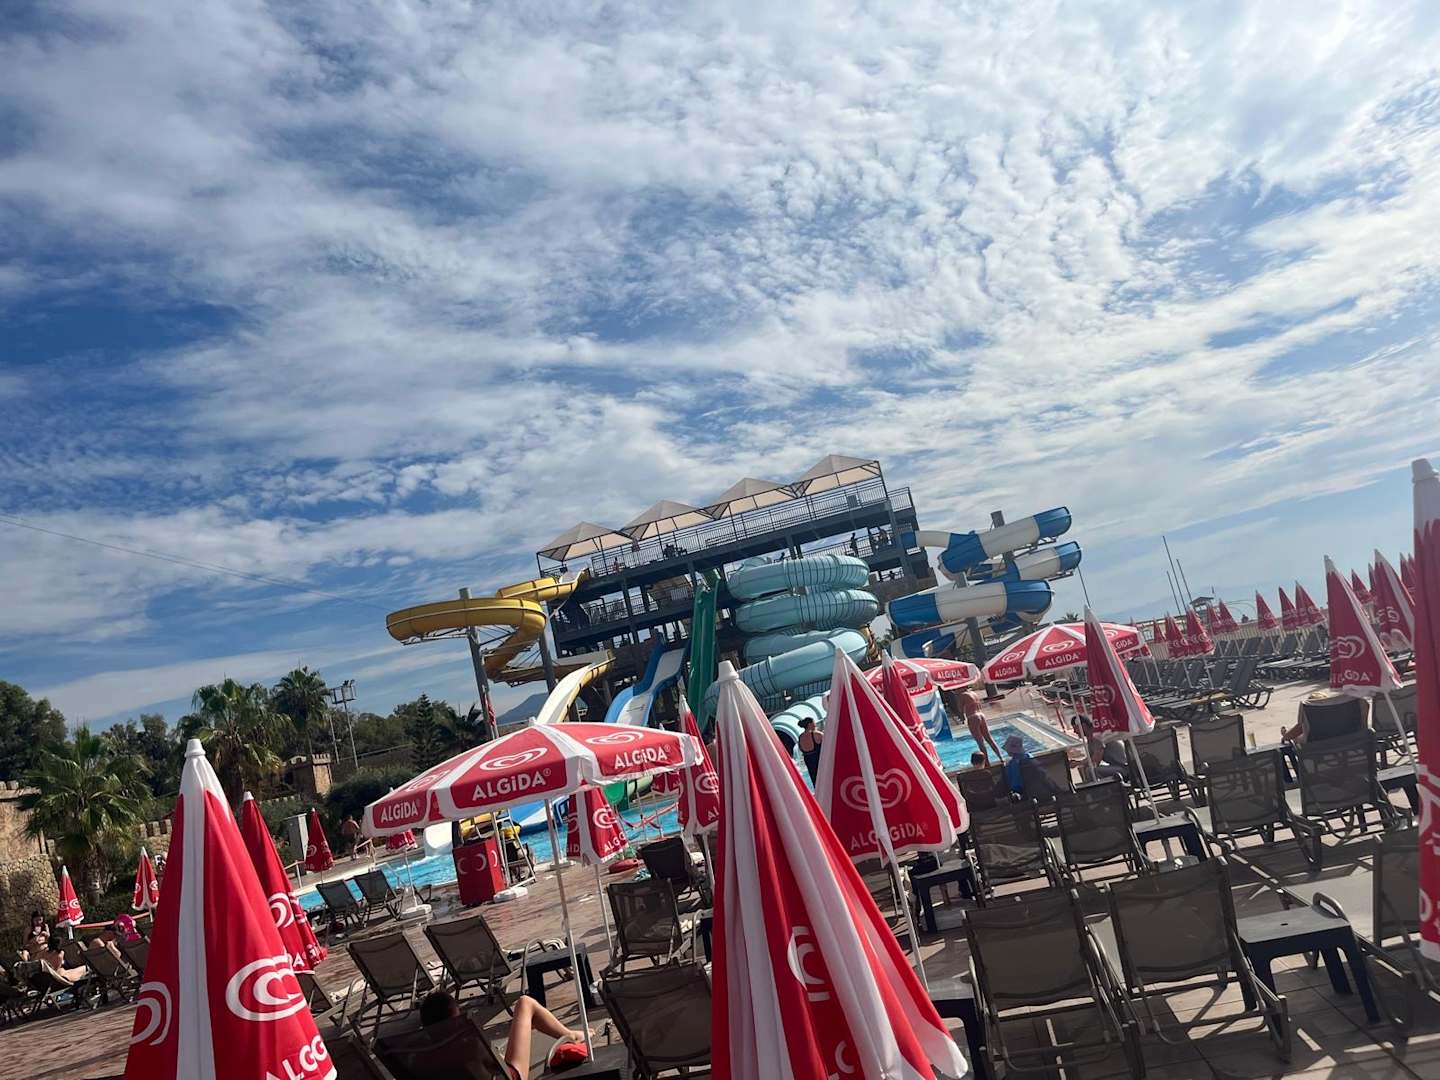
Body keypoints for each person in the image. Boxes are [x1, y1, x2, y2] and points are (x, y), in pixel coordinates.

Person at [420, 991, 588, 1080]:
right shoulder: (470, 1046)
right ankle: (571, 1036)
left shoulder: (420, 1057)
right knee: (525, 1003)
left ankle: (569, 1034)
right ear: (456, 1019)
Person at [956, 691, 1003, 764]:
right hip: (981, 715)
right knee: (989, 739)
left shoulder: (962, 695)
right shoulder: (974, 693)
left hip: (972, 717)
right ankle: (1001, 758)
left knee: (980, 742)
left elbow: (960, 710)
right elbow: (979, 706)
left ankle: (987, 763)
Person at [797, 717, 823, 783]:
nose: (815, 725)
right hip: (819, 760)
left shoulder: (800, 737)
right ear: (809, 724)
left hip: (808, 761)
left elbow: (801, 749)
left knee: (815, 781)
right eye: (814, 723)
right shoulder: (818, 734)